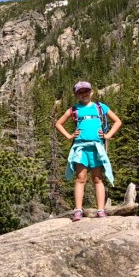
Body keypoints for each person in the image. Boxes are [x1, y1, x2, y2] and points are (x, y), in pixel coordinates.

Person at [54, 81, 123, 221]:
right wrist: (69, 136)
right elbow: (58, 123)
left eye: (86, 91)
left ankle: (101, 210)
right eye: (80, 92)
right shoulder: (74, 109)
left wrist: (108, 135)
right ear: (76, 95)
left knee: (98, 179)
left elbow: (117, 121)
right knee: (80, 178)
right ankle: (78, 210)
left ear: (91, 92)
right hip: (81, 148)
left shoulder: (100, 107)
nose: (84, 94)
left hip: (96, 147)